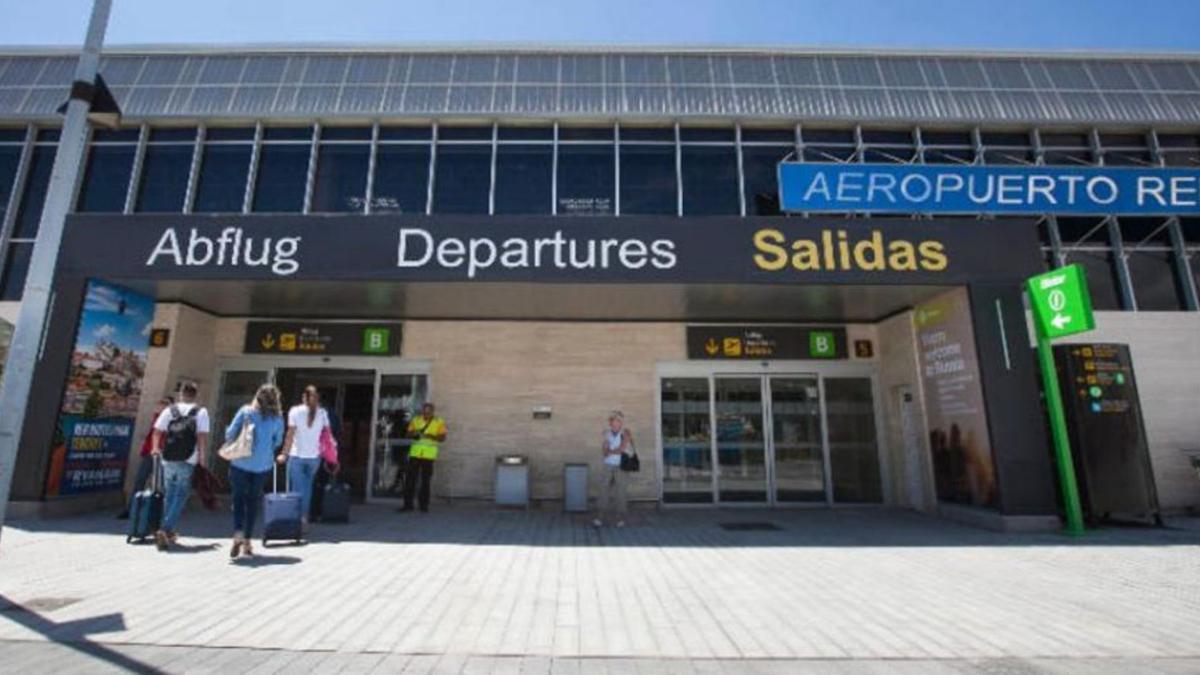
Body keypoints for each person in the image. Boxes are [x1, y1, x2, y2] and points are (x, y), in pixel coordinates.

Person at [224, 384, 285, 558]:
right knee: (253, 502)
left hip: (240, 462)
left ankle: (237, 532)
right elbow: (277, 442)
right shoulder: (278, 419)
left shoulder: (246, 412)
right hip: (263, 465)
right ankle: (248, 541)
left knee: (238, 499)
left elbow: (230, 434)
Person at [150, 382, 209, 551]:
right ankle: (166, 528)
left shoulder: (170, 410)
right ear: (196, 395)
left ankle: (167, 529)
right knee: (181, 495)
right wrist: (203, 457)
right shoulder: (200, 412)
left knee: (170, 493)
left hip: (168, 456)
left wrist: (155, 448)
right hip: (188, 458)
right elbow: (202, 436)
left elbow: (157, 431)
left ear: (181, 394)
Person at [280, 385, 332, 534]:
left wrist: (284, 453)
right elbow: (327, 435)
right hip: (314, 457)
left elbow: (290, 434)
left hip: (297, 456)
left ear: (303, 397)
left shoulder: (295, 411)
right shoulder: (322, 413)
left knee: (295, 489)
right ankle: (303, 518)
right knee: (307, 488)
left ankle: (297, 520)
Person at [117, 396, 172, 519]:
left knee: (160, 485)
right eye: (160, 403)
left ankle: (158, 512)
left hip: (162, 455)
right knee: (140, 481)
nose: (161, 406)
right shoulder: (156, 417)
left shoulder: (170, 420)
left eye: (165, 404)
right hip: (149, 453)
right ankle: (131, 509)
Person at [401, 402, 447, 513]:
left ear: (432, 411)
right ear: (422, 411)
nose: (426, 413)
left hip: (428, 456)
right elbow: (407, 434)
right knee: (410, 481)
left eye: (429, 411)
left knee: (425, 482)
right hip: (415, 454)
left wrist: (431, 436)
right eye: (425, 411)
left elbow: (443, 438)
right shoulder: (416, 420)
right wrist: (414, 433)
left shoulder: (439, 422)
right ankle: (408, 505)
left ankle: (424, 506)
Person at [594, 410, 633, 528]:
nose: (616, 422)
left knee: (621, 492)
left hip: (621, 466)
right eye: (614, 420)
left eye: (619, 420)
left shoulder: (626, 433)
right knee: (603, 490)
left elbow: (622, 448)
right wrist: (609, 450)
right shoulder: (607, 433)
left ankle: (620, 518)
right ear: (611, 422)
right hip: (608, 465)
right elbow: (604, 451)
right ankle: (600, 516)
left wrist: (610, 450)